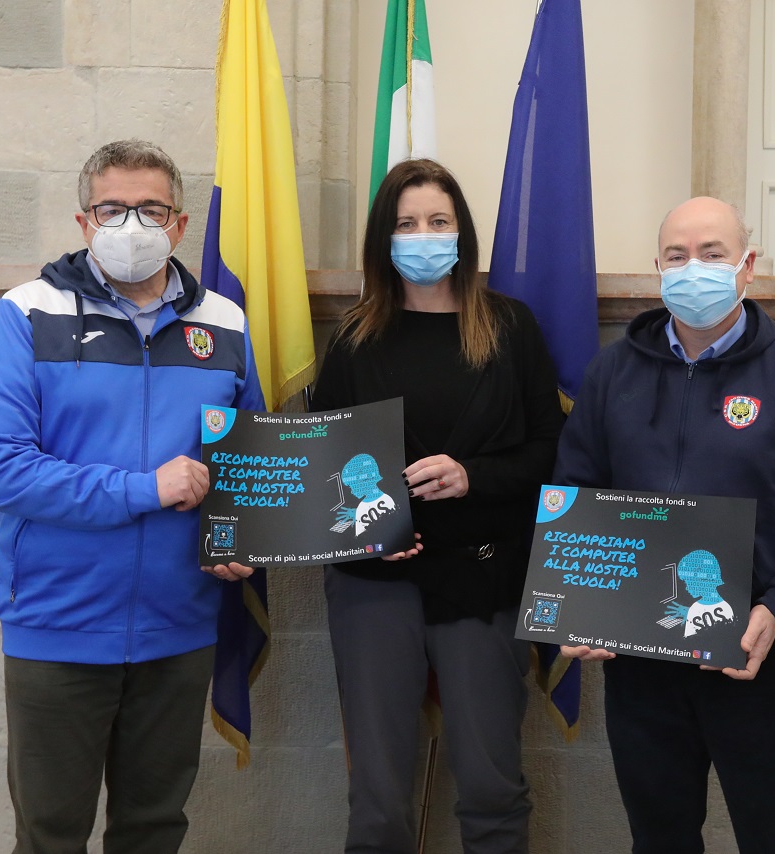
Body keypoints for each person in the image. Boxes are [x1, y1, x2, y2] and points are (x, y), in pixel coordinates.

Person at [0, 138, 263, 853]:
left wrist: (241, 538)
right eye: (112, 208)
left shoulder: (224, 322)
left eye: (150, 209)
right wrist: (143, 489)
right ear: (84, 221)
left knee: (154, 830)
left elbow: (246, 463)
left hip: (179, 626)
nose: (132, 224)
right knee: (50, 834)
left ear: (179, 224)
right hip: (58, 623)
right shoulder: (27, 313)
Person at [556, 196, 775, 854]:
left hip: (758, 660)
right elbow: (575, 495)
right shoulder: (611, 374)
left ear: (746, 266)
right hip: (643, 666)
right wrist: (581, 601)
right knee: (659, 839)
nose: (693, 269)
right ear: (657, 269)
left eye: (712, 254)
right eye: (677, 256)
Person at [311, 158, 564, 854]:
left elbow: (551, 450)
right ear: (383, 238)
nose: (423, 236)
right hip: (373, 584)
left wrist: (472, 477)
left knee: (490, 782)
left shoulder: (509, 328)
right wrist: (367, 529)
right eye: (406, 223)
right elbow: (320, 470)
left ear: (462, 232)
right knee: (378, 796)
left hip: (482, 579)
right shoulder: (353, 339)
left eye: (437, 221)